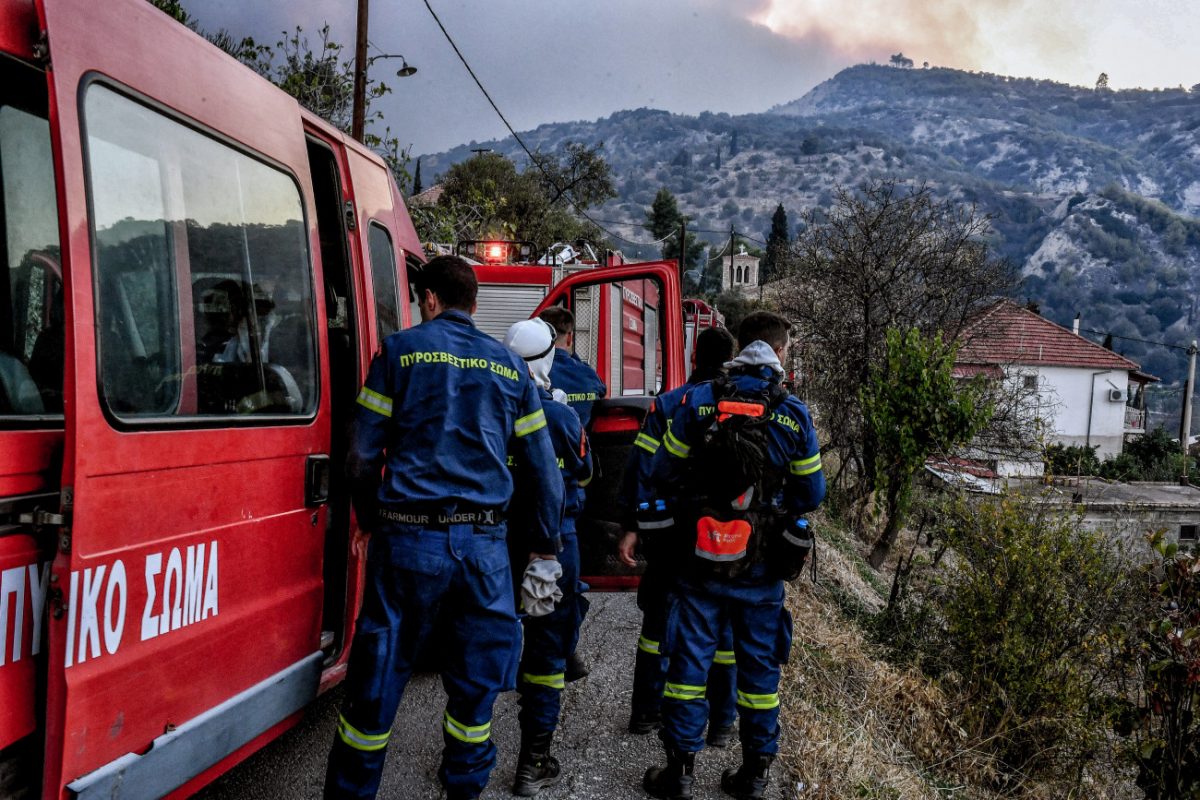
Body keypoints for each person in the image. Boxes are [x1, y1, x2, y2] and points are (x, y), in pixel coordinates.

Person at [324, 255, 564, 800]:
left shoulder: (398, 352)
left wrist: (367, 519)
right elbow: (543, 473)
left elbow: (361, 456)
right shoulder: (512, 367)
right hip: (485, 551)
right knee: (474, 696)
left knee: (376, 685)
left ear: (429, 299)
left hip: (408, 543)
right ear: (474, 304)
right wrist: (545, 548)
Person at [642, 311, 825, 800]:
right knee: (759, 671)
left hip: (698, 561)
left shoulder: (699, 400)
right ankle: (755, 775)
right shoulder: (793, 413)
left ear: (739, 347)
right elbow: (812, 493)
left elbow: (662, 471)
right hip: (761, 569)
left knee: (688, 666)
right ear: (779, 352)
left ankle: (679, 774)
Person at [616, 326, 738, 746]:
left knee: (657, 622)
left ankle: (646, 713)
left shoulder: (669, 404)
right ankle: (721, 722)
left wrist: (631, 525)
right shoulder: (740, 405)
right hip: (724, 538)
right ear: (729, 362)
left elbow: (642, 467)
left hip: (671, 533)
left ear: (693, 358)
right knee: (722, 625)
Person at [502, 318, 593, 797]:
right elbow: (586, 472)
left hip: (494, 543)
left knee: (481, 642)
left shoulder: (490, 412)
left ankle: (462, 756)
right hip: (555, 544)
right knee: (546, 652)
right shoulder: (561, 416)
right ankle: (533, 763)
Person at [537, 306, 606, 682]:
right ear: (569, 336)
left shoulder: (520, 378)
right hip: (568, 496)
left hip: (523, 495)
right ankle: (564, 651)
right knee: (565, 577)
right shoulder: (587, 378)